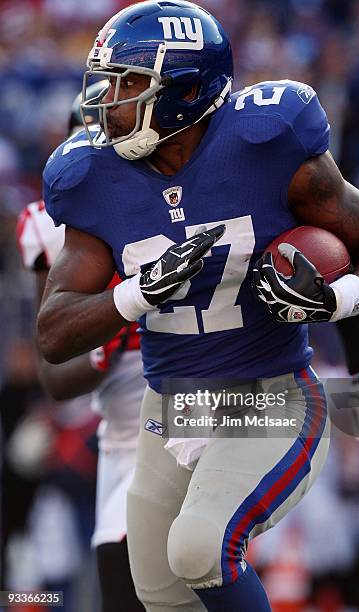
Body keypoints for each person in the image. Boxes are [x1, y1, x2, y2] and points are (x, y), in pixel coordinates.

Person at [37, 2, 359, 611]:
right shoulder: (93, 176)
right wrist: (138, 292)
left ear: (186, 92)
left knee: (200, 548)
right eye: (110, 79)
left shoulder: (266, 141)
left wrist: (333, 300)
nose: (110, 98)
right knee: (157, 590)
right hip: (173, 405)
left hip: (269, 394)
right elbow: (53, 334)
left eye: (132, 83)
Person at [17, 83, 145, 612]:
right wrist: (104, 338)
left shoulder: (168, 198)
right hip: (122, 417)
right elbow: (54, 367)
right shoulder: (48, 226)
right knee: (116, 570)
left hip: (207, 388)